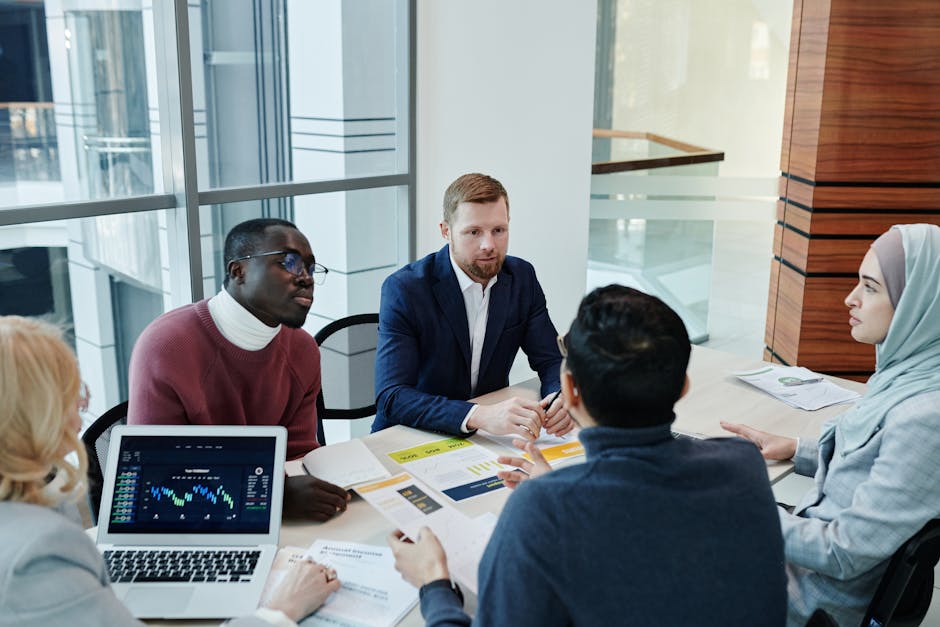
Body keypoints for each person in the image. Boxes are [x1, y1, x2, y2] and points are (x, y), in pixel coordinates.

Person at [388, 285, 788, 626]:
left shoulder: (540, 510)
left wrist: (434, 585)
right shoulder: (743, 465)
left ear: (570, 390)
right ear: (683, 387)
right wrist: (557, 494)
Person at [0, 315, 341, 626]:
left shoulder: (34, 501)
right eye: (72, 393)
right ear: (35, 414)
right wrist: (281, 610)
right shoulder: (40, 549)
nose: (80, 408)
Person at [722, 223, 940, 627]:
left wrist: (743, 510)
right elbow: (874, 460)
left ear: (919, 303)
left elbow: (843, 553)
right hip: (806, 564)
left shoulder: (927, 417)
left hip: (811, 599)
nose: (850, 299)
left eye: (870, 288)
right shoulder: (909, 374)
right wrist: (795, 448)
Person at [127, 218, 349, 522]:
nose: (306, 278)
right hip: (190, 526)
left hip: (274, 525)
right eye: (289, 262)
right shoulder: (166, 346)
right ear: (238, 271)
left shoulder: (303, 350)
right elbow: (155, 477)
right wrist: (275, 497)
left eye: (310, 268)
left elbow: (296, 454)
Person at [373, 173, 570, 440]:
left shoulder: (521, 277)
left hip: (488, 437)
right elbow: (392, 397)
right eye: (474, 232)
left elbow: (550, 359)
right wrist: (478, 415)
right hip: (412, 434)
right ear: (446, 231)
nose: (488, 245)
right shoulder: (405, 289)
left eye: (498, 230)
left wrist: (560, 395)